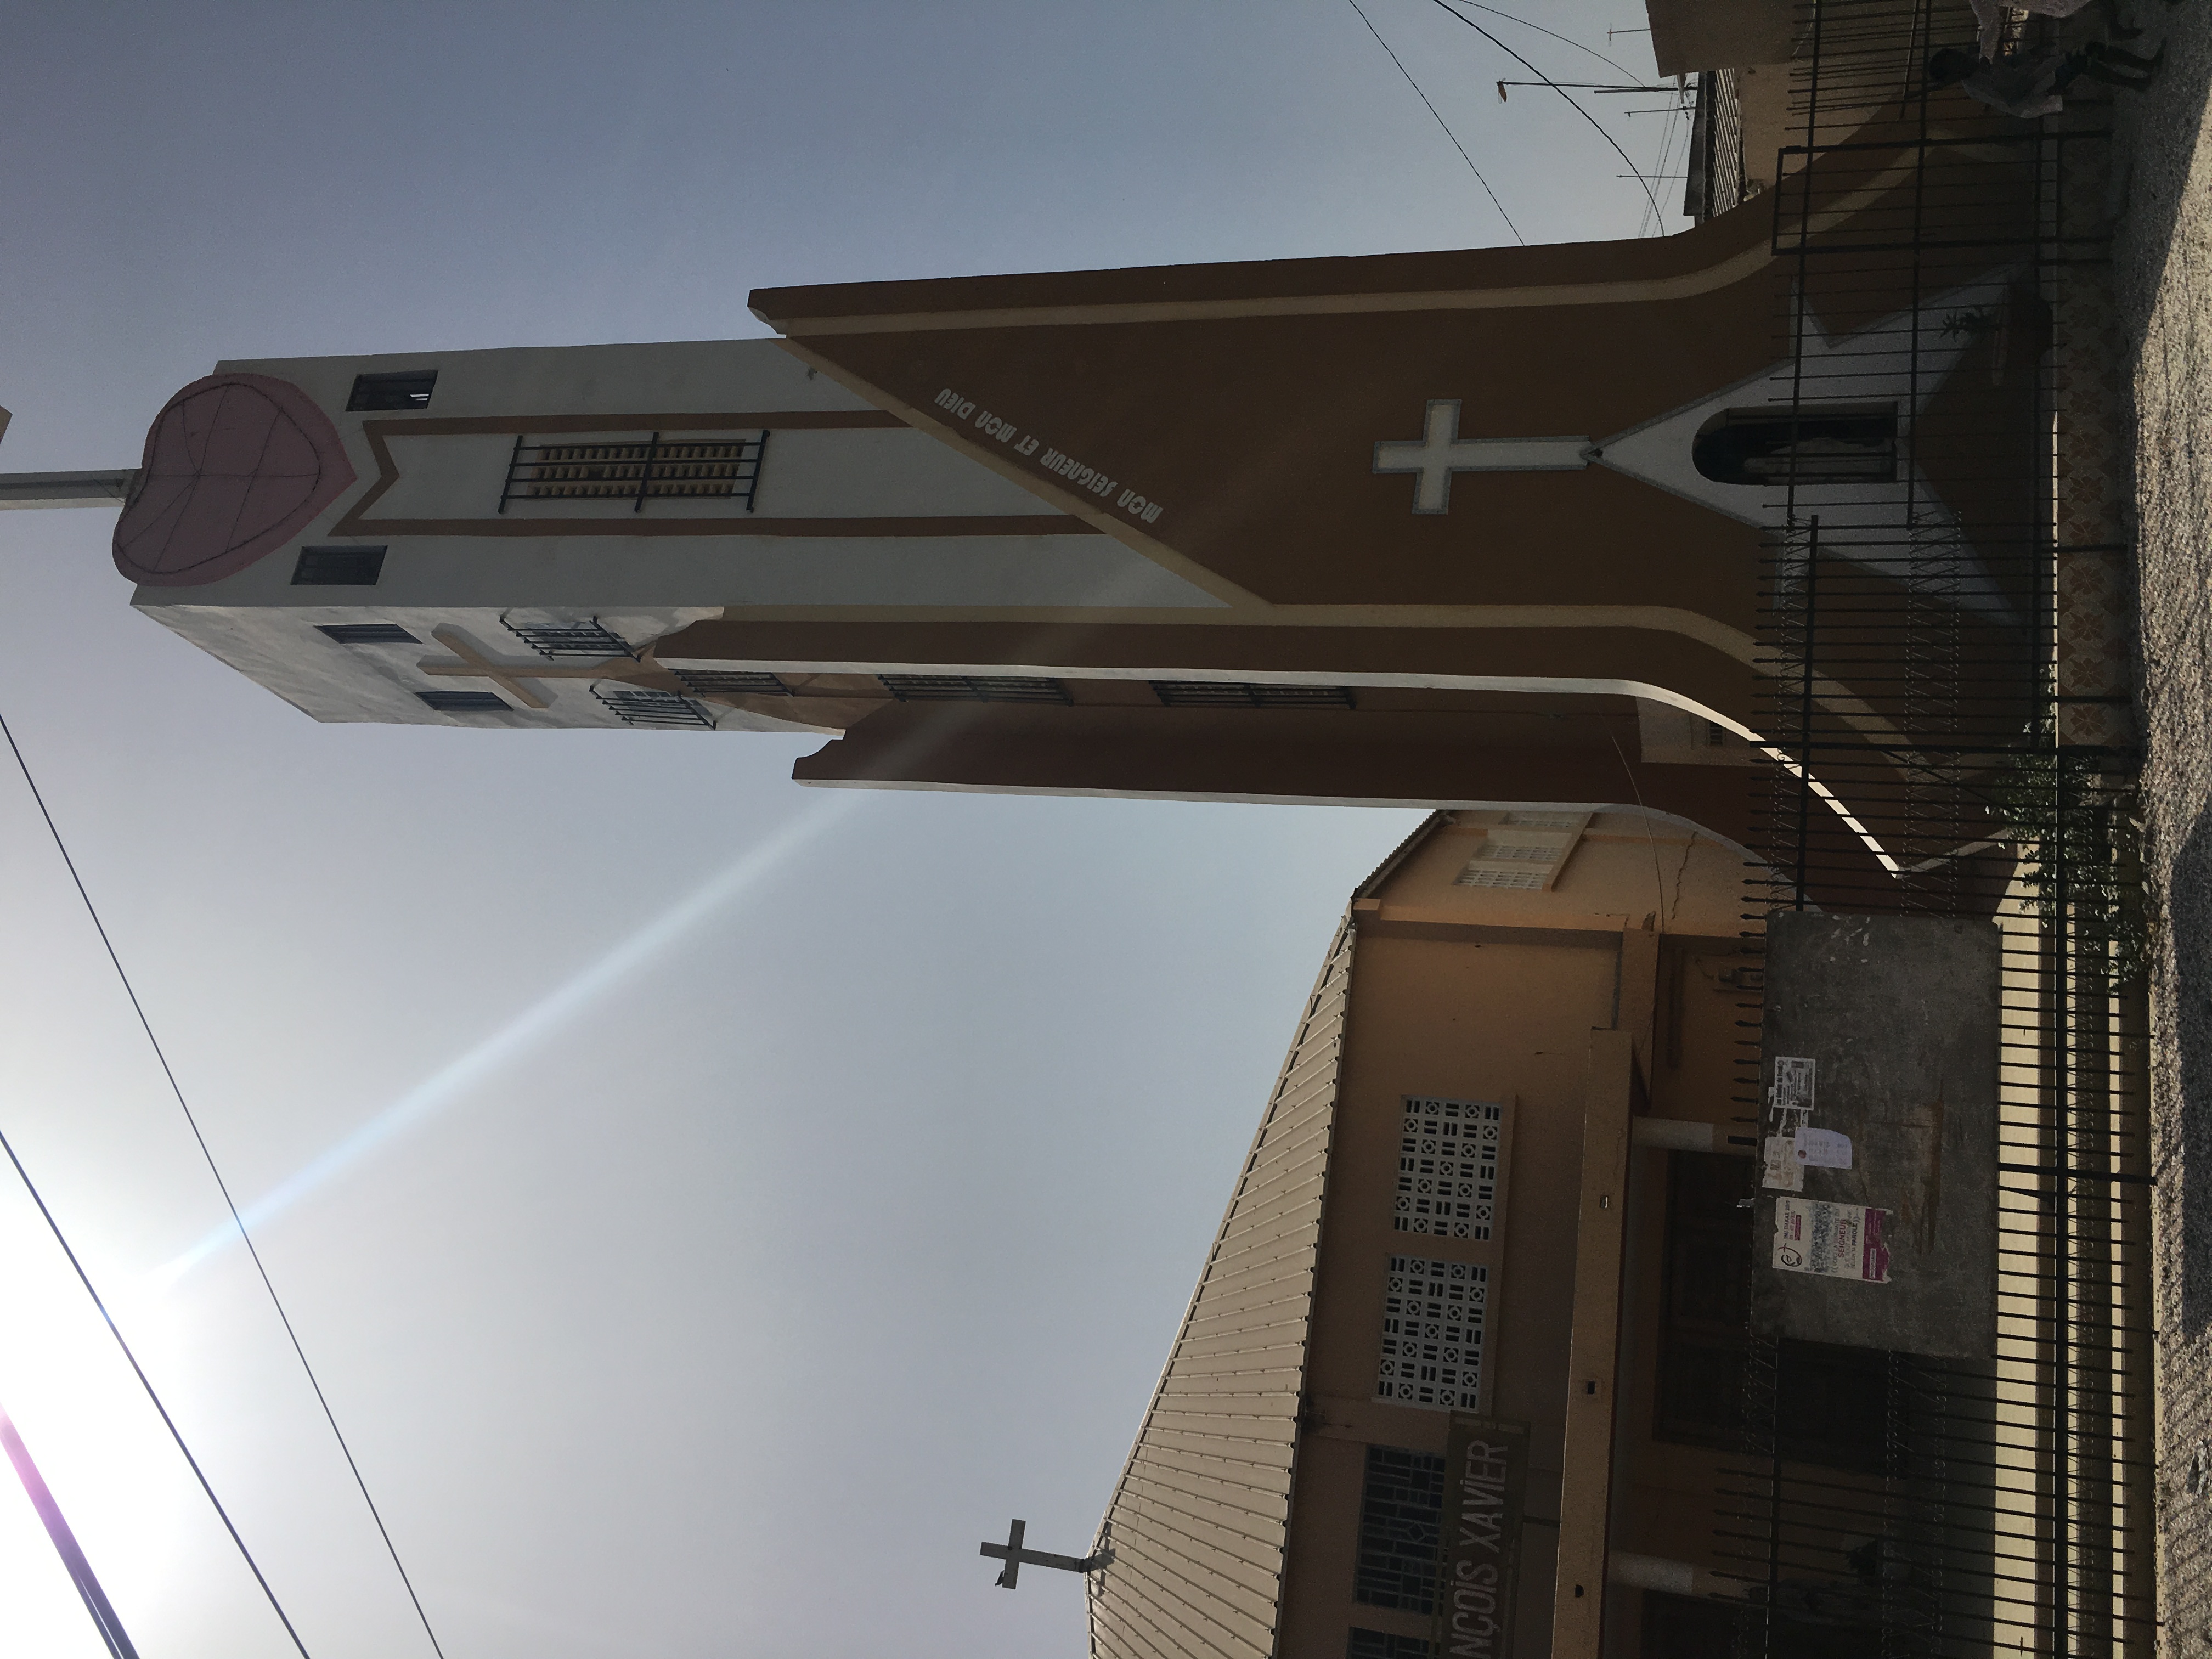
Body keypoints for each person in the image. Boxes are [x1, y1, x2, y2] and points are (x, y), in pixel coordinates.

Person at [1927, 39, 2164, 117]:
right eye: (1958, 63)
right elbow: (2013, 103)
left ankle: (2147, 64)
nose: (1964, 59)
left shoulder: (1979, 55)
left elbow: (2010, 63)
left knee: (2091, 48)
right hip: (2033, 94)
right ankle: (2137, 83)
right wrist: (2047, 94)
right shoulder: (1976, 87)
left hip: (2033, 76)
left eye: (1959, 56)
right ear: (1955, 74)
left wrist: (2032, 54)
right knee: (2081, 63)